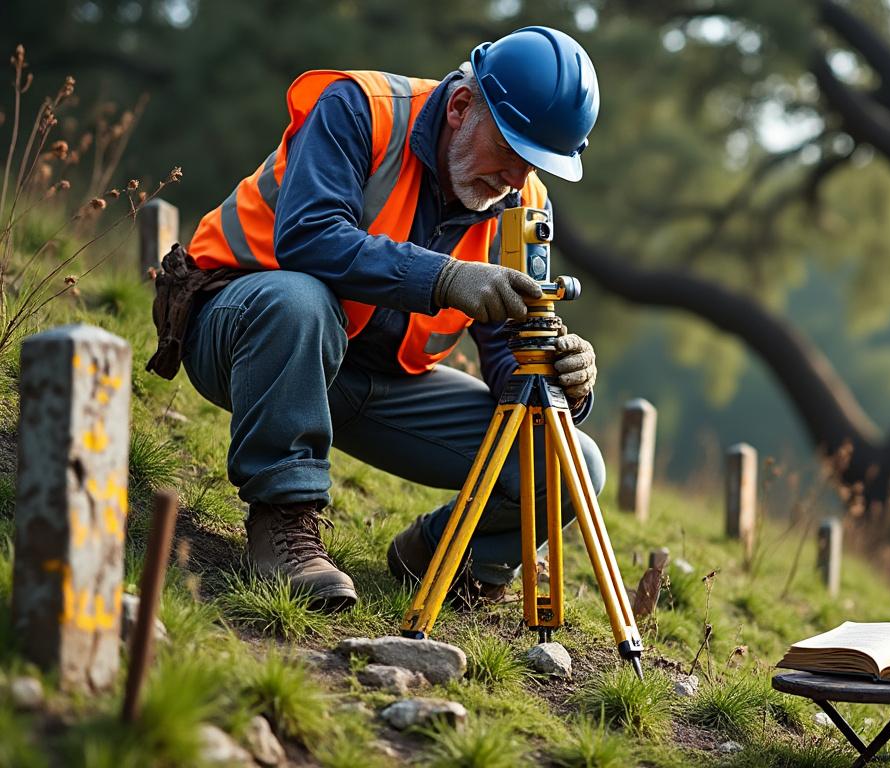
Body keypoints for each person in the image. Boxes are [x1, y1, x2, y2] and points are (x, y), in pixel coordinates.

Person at [171, 26, 603, 611]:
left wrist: (557, 375)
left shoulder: (522, 206)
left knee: (573, 459)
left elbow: (507, 357)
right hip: (245, 337)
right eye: (509, 152)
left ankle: (440, 553)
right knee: (301, 300)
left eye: (534, 164)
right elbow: (308, 238)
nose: (514, 180)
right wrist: (446, 278)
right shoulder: (358, 110)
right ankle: (283, 526)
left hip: (374, 385)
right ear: (459, 106)